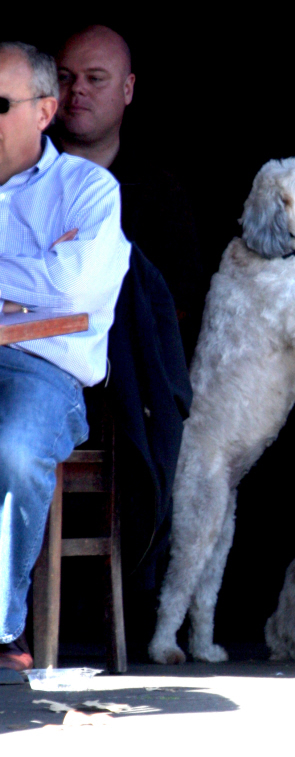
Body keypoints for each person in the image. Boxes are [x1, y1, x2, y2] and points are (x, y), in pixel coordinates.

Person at [0, 41, 130, 671]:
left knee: (17, 451)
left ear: (44, 111)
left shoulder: (88, 190)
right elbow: (50, 280)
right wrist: (32, 279)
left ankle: (1, 636)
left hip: (41, 367)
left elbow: (73, 289)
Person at [54, 25, 203, 359]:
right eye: (65, 76)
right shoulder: (16, 175)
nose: (77, 89)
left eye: (95, 79)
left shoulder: (161, 194)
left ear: (127, 89)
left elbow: (178, 308)